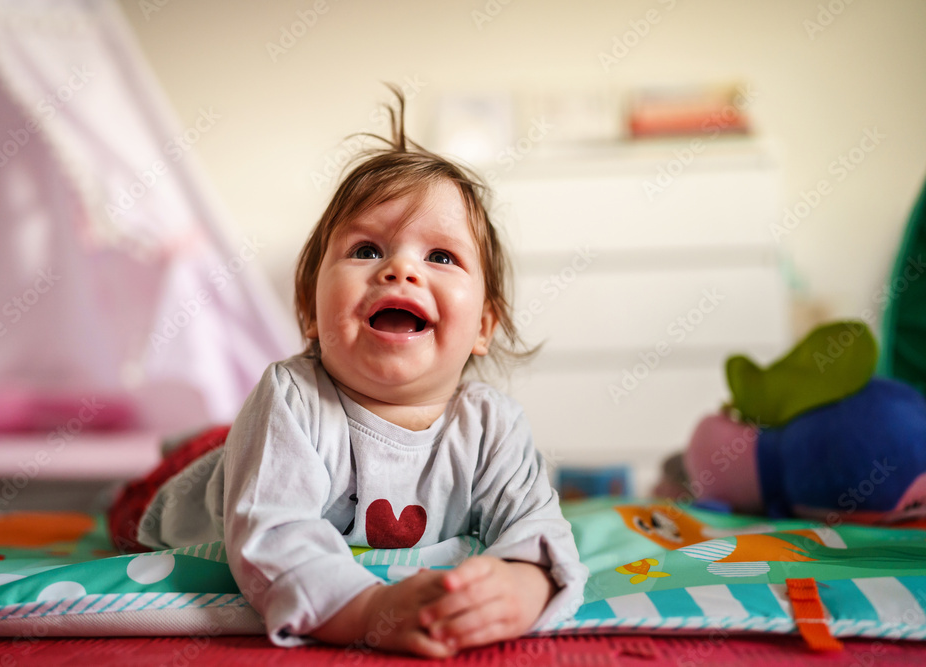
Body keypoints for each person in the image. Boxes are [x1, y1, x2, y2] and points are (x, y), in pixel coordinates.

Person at [109, 88, 587, 658]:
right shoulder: (292, 395)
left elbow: (536, 523)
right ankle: (188, 448)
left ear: (484, 326)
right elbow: (272, 535)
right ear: (311, 312)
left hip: (245, 444)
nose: (401, 269)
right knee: (135, 506)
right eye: (366, 250)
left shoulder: (492, 427)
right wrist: (366, 610)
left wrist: (523, 582)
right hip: (192, 490)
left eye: (441, 257)